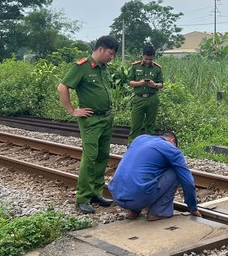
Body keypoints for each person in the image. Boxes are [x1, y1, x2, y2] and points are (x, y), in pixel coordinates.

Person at [58, 35, 119, 214]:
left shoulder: (104, 68)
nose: (112, 57)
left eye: (114, 54)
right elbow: (62, 87)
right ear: (100, 49)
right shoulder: (82, 67)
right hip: (91, 120)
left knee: (102, 156)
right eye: (110, 53)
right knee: (90, 157)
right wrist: (72, 111)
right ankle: (83, 198)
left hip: (106, 118)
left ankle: (96, 193)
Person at [108, 131, 202, 220]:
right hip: (138, 198)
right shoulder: (170, 149)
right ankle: (158, 212)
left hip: (117, 196)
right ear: (172, 140)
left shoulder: (140, 139)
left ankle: (134, 211)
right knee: (176, 171)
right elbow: (188, 181)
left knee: (145, 169)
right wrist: (193, 208)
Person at [128, 43, 164, 143]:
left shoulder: (157, 68)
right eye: (146, 59)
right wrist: (140, 83)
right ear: (143, 55)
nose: (148, 61)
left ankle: (148, 146)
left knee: (150, 125)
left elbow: (161, 84)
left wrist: (154, 85)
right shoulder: (135, 66)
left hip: (152, 98)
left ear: (153, 57)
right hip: (139, 98)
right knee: (136, 124)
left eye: (150, 59)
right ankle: (131, 145)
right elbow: (130, 82)